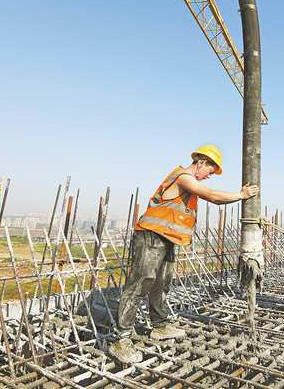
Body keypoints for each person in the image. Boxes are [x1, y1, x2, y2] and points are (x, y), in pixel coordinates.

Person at [108, 145, 259, 363]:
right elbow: (213, 196)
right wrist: (241, 195)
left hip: (165, 238)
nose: (209, 177)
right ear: (202, 162)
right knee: (140, 283)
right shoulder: (183, 177)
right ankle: (120, 340)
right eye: (210, 171)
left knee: (161, 283)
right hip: (150, 235)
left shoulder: (189, 181)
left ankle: (159, 326)